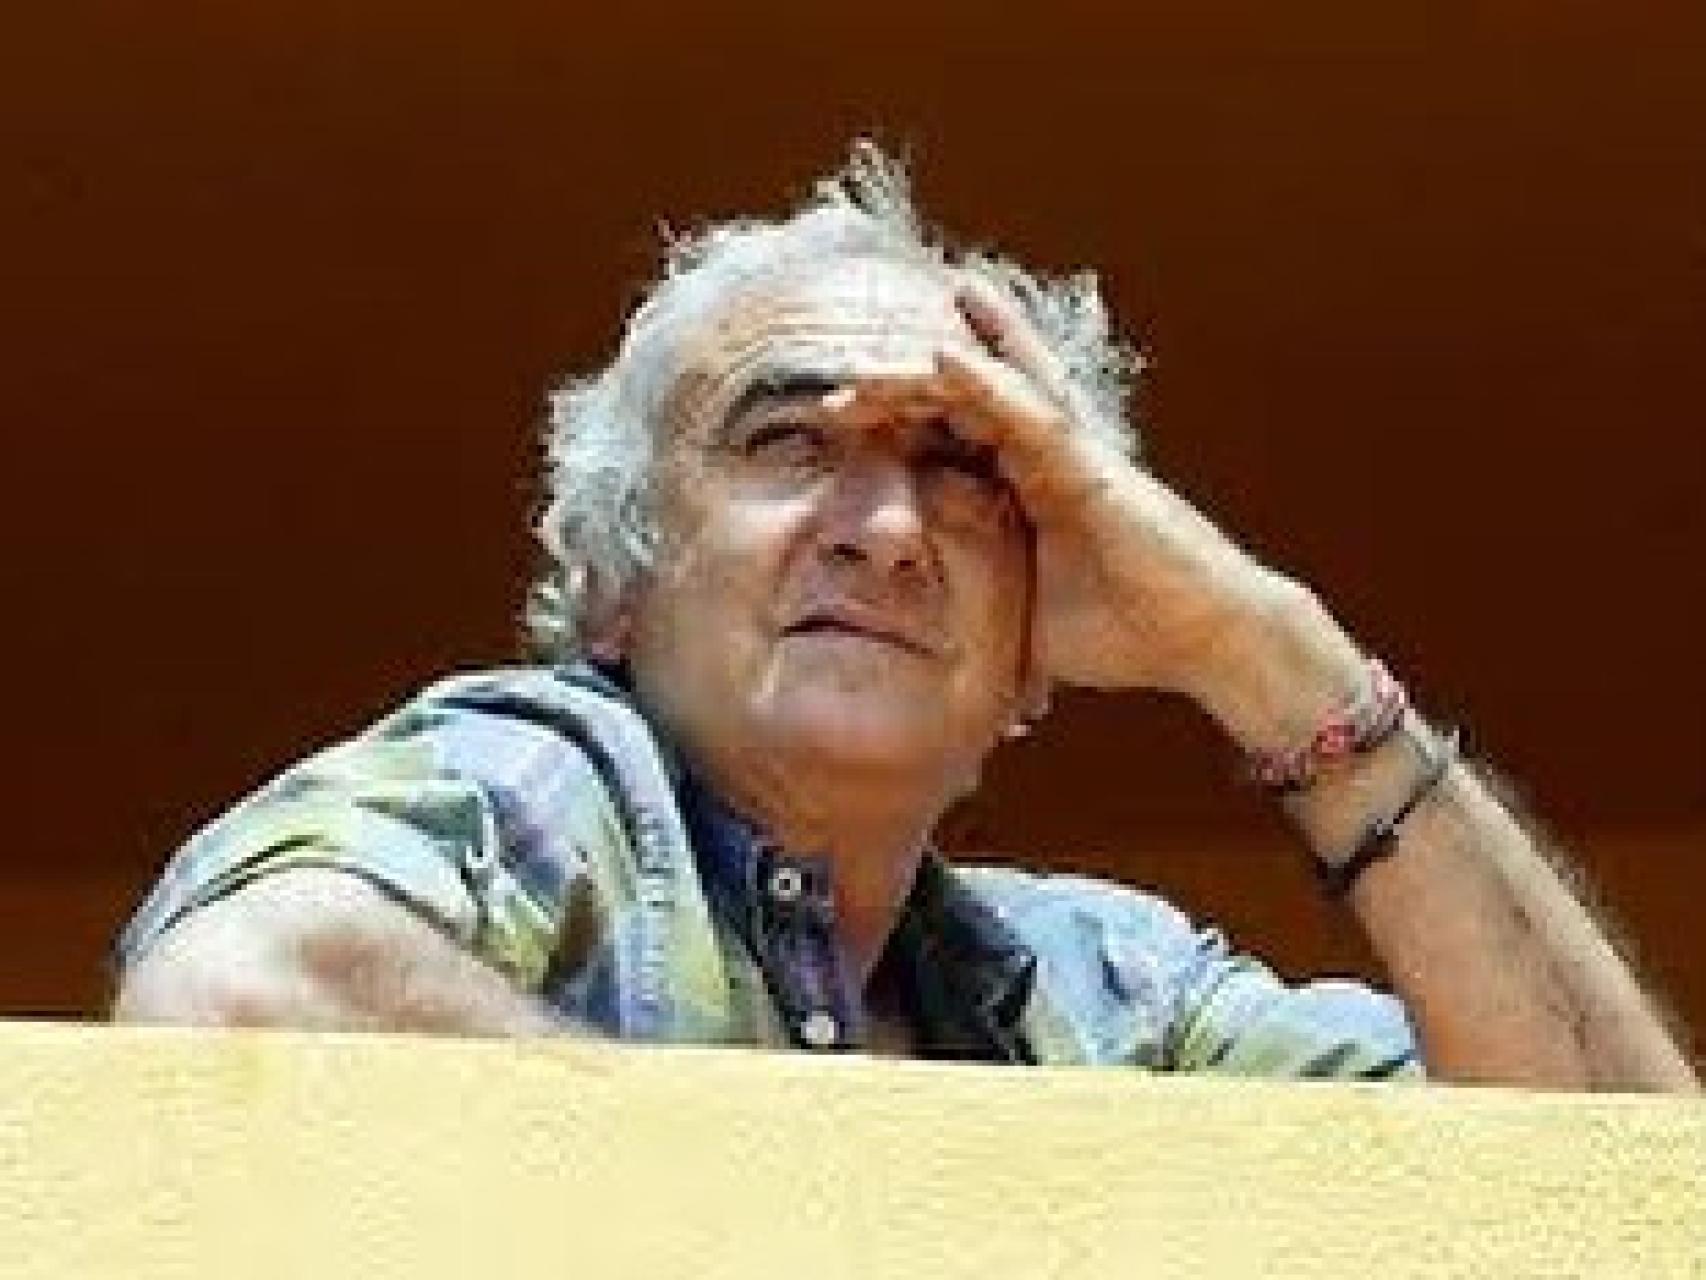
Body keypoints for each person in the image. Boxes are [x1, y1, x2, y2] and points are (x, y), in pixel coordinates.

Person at [112, 142, 1696, 1090]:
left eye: (965, 469)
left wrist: (1261, 650)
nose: (881, 532)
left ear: (1030, 662)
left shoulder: (1105, 990)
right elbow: (235, 991)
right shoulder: (560, 778)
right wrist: (842, 1204)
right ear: (613, 583)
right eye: (787, 441)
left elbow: (1619, 1187)